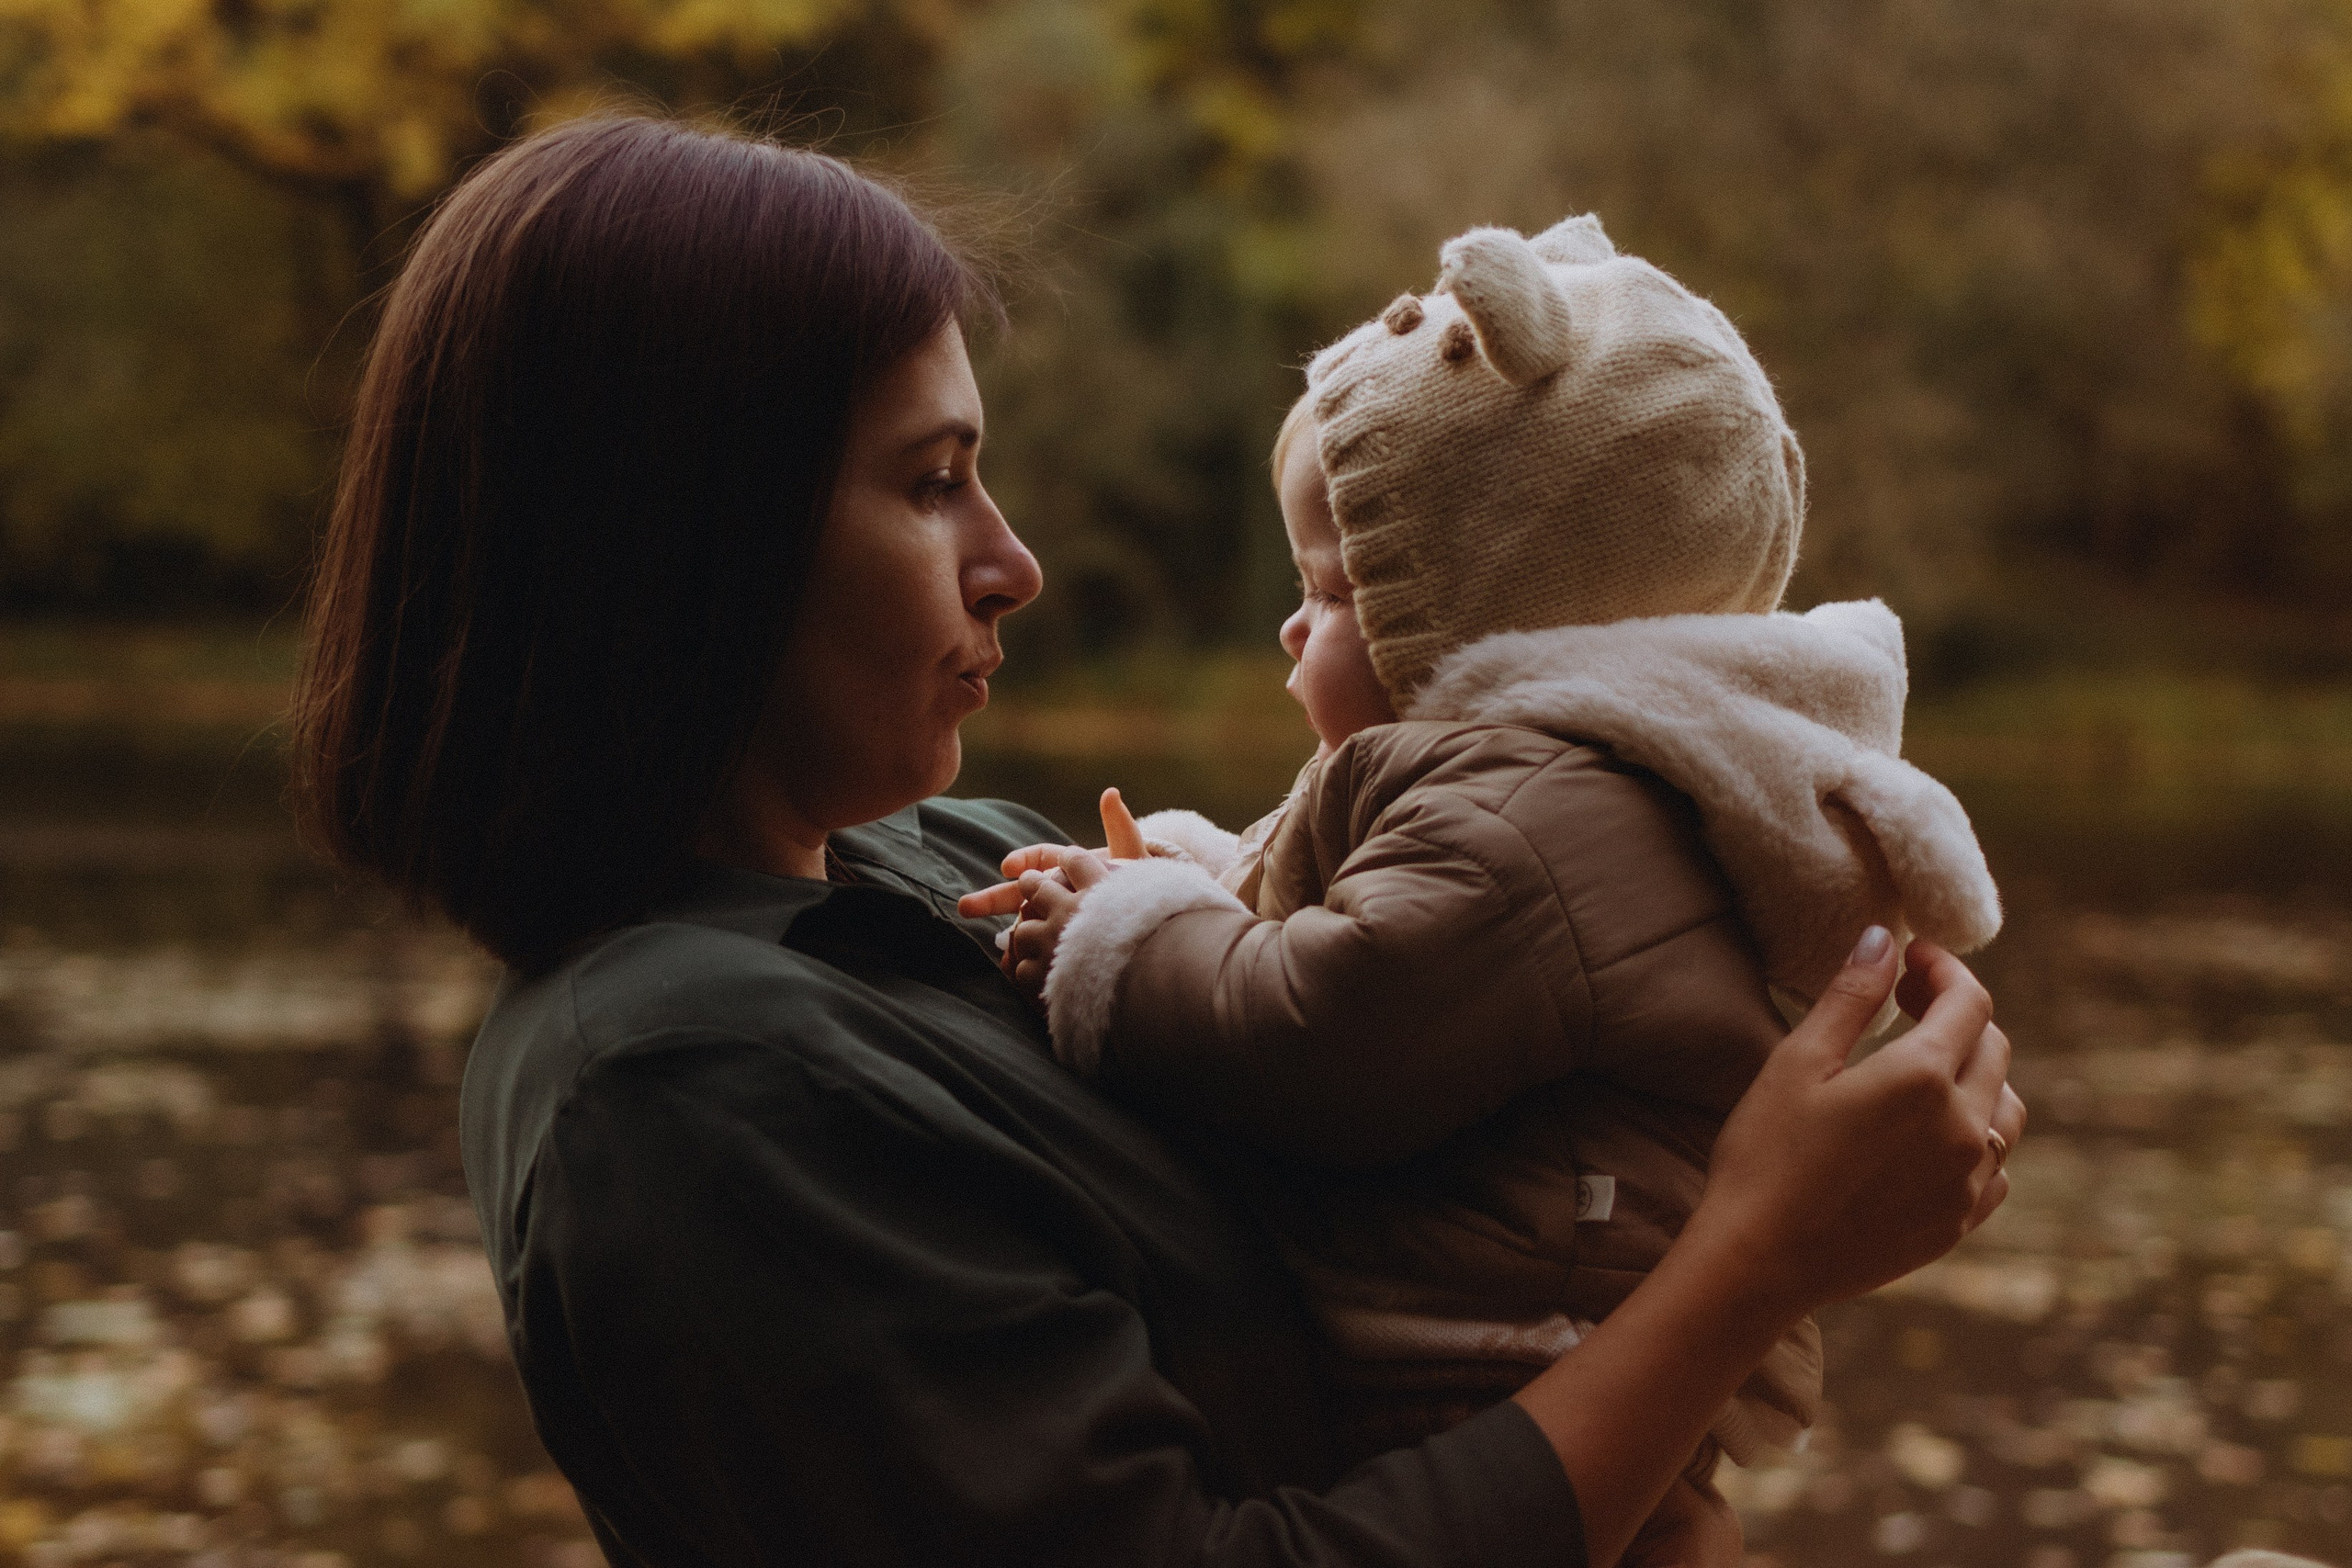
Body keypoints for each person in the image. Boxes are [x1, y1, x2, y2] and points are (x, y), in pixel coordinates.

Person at [290, 115, 2023, 1568]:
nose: (1014, 562)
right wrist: (1751, 1265)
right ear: (685, 542)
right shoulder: (679, 1094)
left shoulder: (924, 859)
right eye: (928, 481)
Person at [967, 215, 2010, 1565]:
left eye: (1334, 592)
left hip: (1495, 1378)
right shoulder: (1564, 795)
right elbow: (1362, 925)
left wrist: (1116, 938)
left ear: (1473, 618)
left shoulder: (1530, 815)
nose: (1294, 628)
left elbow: (1328, 1030)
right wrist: (1191, 877)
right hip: (1528, 1347)